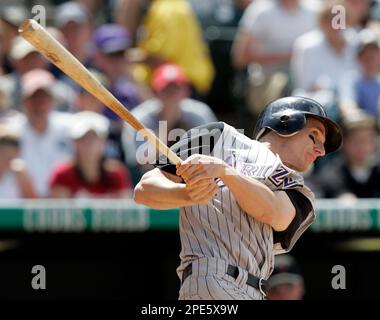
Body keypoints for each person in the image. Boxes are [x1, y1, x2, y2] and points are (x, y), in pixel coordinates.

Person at [134, 96, 342, 300]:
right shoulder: (217, 136)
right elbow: (144, 190)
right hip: (212, 279)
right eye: (314, 136)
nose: (321, 151)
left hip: (256, 289)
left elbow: (273, 213)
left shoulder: (300, 190)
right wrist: (186, 194)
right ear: (286, 122)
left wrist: (226, 172)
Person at [122, 63, 217, 173]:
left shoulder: (200, 113)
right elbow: (145, 165)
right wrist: (166, 122)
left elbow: (215, 155)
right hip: (155, 179)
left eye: (176, 89)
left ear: (186, 91)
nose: (171, 95)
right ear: (155, 93)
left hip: (196, 174)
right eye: (166, 90)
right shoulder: (141, 117)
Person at [49, 111, 132, 198]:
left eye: (94, 138)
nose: (89, 144)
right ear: (74, 143)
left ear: (103, 142)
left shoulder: (117, 174)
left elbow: (124, 206)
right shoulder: (62, 175)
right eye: (83, 138)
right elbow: (61, 208)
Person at [0, 124, 37, 198]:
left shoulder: (20, 173)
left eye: (10, 158)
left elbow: (33, 203)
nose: (6, 162)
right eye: (3, 156)